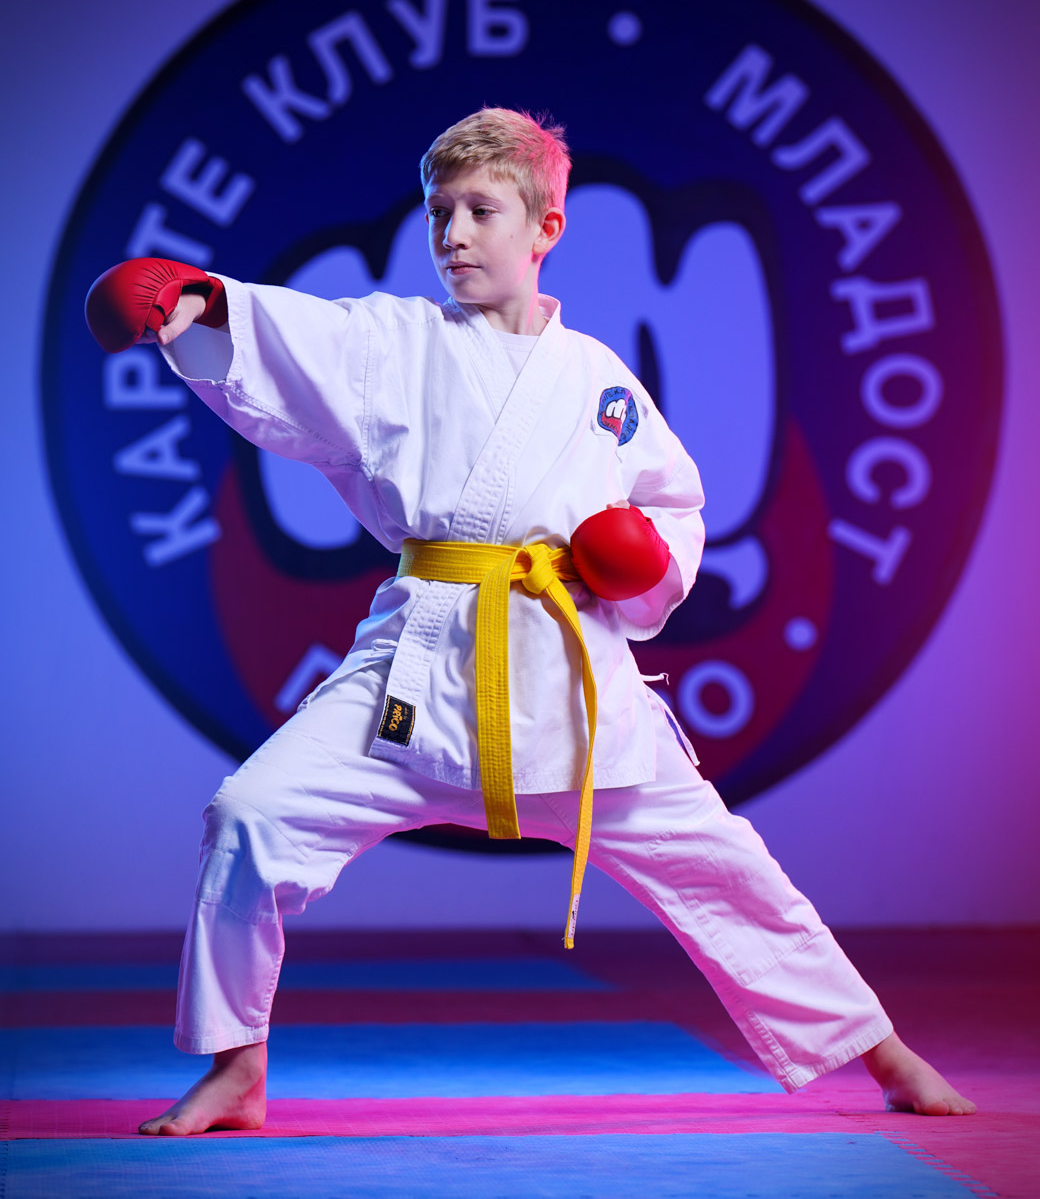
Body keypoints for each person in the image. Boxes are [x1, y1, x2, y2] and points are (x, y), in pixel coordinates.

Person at [85, 108, 976, 1135]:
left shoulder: (599, 381)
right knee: (252, 815)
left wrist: (640, 561)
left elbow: (674, 506)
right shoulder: (393, 343)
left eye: (481, 211)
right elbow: (294, 340)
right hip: (421, 668)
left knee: (725, 868)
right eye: (439, 213)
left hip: (571, 682)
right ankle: (236, 1067)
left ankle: (885, 1053)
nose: (453, 235)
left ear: (546, 226)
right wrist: (195, 304)